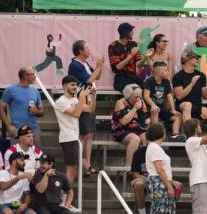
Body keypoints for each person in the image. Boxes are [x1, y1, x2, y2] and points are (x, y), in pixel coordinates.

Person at [171, 51, 207, 139]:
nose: (198, 60)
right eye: (196, 58)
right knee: (188, 105)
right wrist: (192, 84)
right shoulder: (178, 76)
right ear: (187, 59)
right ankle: (190, 135)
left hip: (198, 106)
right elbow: (179, 96)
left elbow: (205, 96)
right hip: (183, 106)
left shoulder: (201, 75)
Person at [68, 40, 103, 177]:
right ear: (80, 51)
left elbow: (96, 77)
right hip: (81, 101)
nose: (89, 50)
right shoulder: (75, 65)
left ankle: (87, 164)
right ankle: (81, 165)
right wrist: (99, 66)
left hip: (90, 100)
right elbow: (88, 80)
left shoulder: (84, 63)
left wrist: (99, 67)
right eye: (87, 48)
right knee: (83, 135)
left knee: (89, 135)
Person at [52, 76, 88, 201]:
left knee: (75, 169)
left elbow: (90, 109)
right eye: (72, 85)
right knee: (71, 170)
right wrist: (82, 98)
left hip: (74, 138)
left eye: (76, 85)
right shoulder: (61, 101)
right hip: (68, 138)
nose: (75, 87)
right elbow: (77, 114)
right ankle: (64, 198)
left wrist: (93, 96)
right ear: (64, 86)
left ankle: (65, 197)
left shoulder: (75, 99)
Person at [183, 112, 207, 214]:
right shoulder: (191, 140)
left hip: (204, 179)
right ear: (196, 128)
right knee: (201, 211)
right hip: (199, 180)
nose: (201, 127)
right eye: (199, 126)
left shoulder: (197, 141)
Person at [0, 68, 44, 145]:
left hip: (34, 131)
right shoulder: (10, 90)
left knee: (36, 155)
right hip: (18, 130)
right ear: (25, 76)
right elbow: (0, 109)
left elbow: (42, 111)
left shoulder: (35, 91)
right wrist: (9, 126)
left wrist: (37, 111)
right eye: (33, 74)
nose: (35, 77)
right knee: (18, 156)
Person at [111, 84, 150, 171]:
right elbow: (123, 122)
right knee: (135, 139)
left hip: (137, 129)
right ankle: (129, 167)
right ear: (128, 96)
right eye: (135, 97)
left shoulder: (141, 101)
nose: (138, 99)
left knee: (147, 139)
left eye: (139, 97)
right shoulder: (121, 103)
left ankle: (143, 168)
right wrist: (135, 109)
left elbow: (145, 119)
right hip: (122, 130)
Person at [143, 61, 183, 141]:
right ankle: (156, 135)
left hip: (162, 108)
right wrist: (153, 105)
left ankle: (175, 136)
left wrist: (173, 109)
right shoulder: (149, 81)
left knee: (178, 116)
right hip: (150, 109)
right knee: (155, 110)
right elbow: (146, 96)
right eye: (166, 70)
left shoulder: (166, 82)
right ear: (160, 73)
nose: (168, 72)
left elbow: (170, 97)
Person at [144, 122, 176, 214]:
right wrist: (169, 186)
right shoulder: (154, 147)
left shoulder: (155, 147)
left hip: (161, 181)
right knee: (161, 210)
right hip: (159, 182)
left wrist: (171, 181)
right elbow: (160, 170)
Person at [109, 22, 144, 92]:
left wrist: (146, 56)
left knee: (146, 88)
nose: (133, 33)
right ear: (126, 33)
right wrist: (131, 55)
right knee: (131, 90)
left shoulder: (133, 44)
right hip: (121, 78)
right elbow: (118, 67)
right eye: (131, 31)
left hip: (133, 77)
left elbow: (138, 64)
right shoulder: (113, 46)